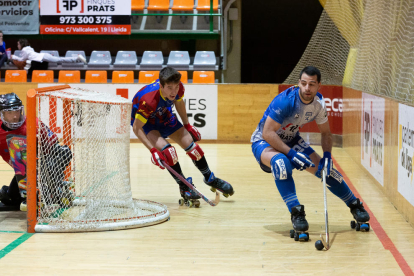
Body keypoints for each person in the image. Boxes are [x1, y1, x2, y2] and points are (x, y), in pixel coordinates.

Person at [251, 66, 370, 234]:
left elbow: (326, 133)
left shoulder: (319, 104)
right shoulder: (286, 101)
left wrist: (327, 156)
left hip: (292, 140)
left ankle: (355, 205)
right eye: (304, 83)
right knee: (281, 163)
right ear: (299, 83)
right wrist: (291, 154)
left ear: (319, 85)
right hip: (264, 142)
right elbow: (268, 133)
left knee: (326, 170)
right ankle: (296, 213)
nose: (307, 88)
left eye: (312, 84)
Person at [131, 67, 234, 204]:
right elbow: (137, 128)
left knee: (193, 148)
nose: (174, 91)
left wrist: (187, 125)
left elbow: (179, 102)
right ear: (161, 86)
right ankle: (184, 186)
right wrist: (153, 150)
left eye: (176, 86)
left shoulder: (178, 89)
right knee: (169, 152)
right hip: (147, 124)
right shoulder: (148, 100)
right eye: (169, 88)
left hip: (164, 115)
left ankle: (210, 178)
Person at [0, 93, 70, 211]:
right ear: (2, 114)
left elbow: (54, 145)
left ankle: (56, 187)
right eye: (10, 113)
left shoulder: (34, 123)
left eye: (17, 111)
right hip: (22, 174)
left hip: (41, 166)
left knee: (63, 152)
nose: (15, 117)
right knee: (10, 198)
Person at [11, 38, 86, 66]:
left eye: (18, 44)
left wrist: (13, 57)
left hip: (43, 57)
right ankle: (76, 59)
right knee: (59, 59)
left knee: (59, 60)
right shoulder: (28, 48)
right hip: (43, 57)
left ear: (21, 44)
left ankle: (76, 58)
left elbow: (22, 59)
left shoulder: (24, 50)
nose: (17, 46)